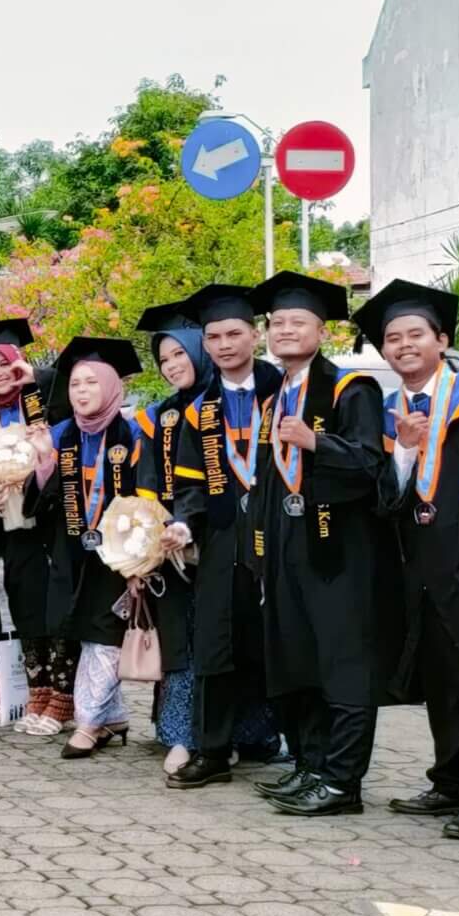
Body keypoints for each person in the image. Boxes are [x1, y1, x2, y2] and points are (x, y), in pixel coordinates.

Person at [355, 280, 459, 842]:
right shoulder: (389, 409)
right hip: (417, 560)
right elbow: (384, 496)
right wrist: (404, 449)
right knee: (440, 674)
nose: (403, 346)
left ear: (441, 340)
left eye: (415, 334)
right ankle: (448, 777)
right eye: (392, 339)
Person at [237, 272, 396, 818]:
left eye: (296, 322)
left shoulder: (353, 391)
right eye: (276, 323)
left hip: (340, 553)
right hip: (286, 548)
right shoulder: (272, 399)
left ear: (321, 331)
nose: (284, 330)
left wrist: (317, 441)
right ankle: (310, 763)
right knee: (297, 660)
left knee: (343, 664)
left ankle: (343, 781)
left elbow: (372, 467)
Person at [166, 284, 288, 790]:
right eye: (213, 336)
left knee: (283, 644)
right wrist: (183, 523)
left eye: (234, 333)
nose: (223, 344)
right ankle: (212, 750)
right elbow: (191, 484)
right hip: (220, 543)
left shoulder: (285, 391)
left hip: (279, 540)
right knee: (215, 646)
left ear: (255, 334)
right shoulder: (201, 410)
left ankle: (298, 749)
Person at [28, 337, 158, 760]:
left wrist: (142, 561)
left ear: (110, 385)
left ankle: (87, 723)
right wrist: (42, 464)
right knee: (82, 634)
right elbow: (39, 501)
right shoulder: (61, 434)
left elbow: (149, 498)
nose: (82, 391)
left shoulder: (135, 432)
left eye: (91, 382)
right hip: (72, 550)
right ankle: (113, 717)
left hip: (119, 556)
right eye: (75, 384)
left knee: (104, 638)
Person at [0, 318, 66, 733]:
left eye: (4, 364)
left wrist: (34, 377)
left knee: (55, 606)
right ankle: (37, 691)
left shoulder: (44, 399)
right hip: (14, 524)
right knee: (22, 600)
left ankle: (63, 695)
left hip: (54, 520)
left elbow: (71, 400)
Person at [132, 302, 213, 776]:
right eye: (164, 359)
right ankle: (182, 733)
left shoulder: (223, 405)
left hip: (219, 542)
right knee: (180, 640)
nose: (172, 366)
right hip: (171, 549)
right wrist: (146, 550)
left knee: (223, 641)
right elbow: (144, 489)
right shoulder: (158, 417)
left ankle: (250, 733)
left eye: (180, 355)